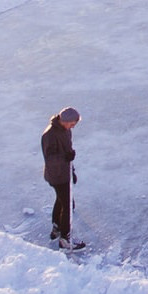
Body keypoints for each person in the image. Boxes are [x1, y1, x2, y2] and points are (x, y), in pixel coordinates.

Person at [41, 107, 86, 250]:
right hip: (56, 175)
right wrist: (65, 158)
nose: (73, 126)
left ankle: (56, 227)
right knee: (68, 205)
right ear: (65, 121)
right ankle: (65, 239)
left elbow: (68, 152)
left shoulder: (66, 131)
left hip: (64, 172)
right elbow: (50, 158)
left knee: (61, 200)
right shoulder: (50, 135)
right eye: (72, 123)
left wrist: (72, 171)